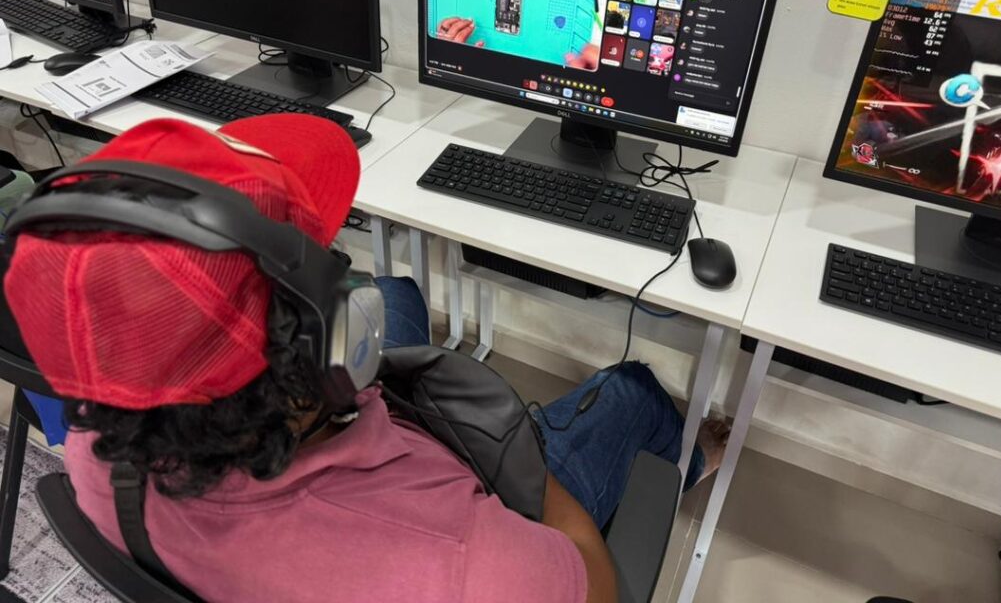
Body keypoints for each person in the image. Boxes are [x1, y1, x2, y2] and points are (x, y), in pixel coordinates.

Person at [5, 114, 729, 603]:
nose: (345, 277)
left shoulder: (98, 450)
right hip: (454, 515)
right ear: (329, 348)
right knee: (631, 390)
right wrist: (526, 470)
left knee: (399, 292)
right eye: (330, 263)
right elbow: (593, 583)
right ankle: (693, 460)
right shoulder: (476, 569)